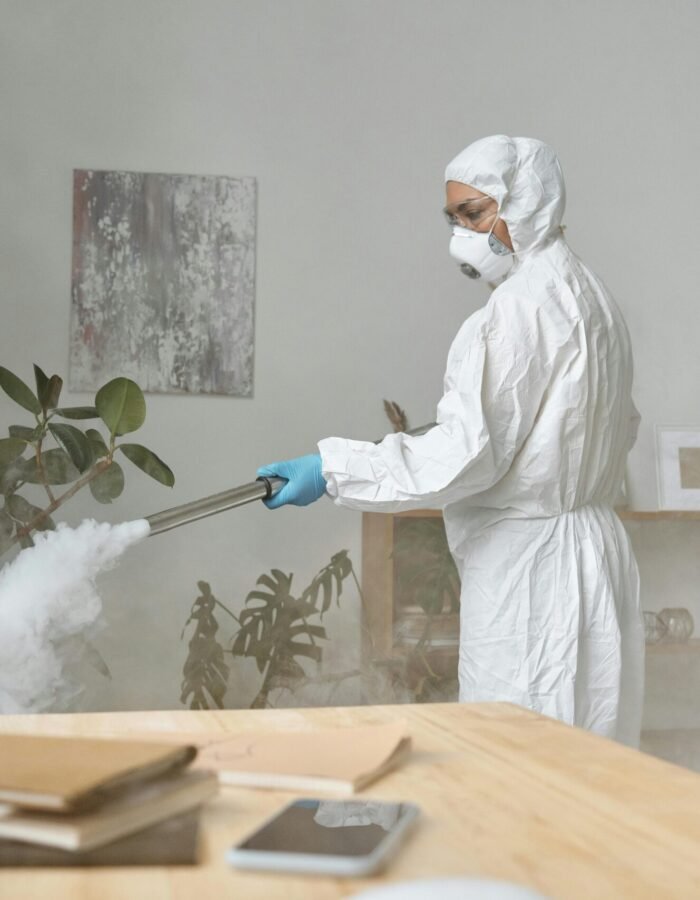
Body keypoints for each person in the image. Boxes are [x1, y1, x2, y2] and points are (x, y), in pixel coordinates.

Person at [258, 135, 645, 747]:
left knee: (516, 758)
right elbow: (620, 425)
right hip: (595, 555)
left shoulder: (516, 310)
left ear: (529, 205)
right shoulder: (595, 297)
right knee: (592, 756)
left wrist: (333, 468)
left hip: (531, 571)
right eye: (454, 218)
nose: (461, 236)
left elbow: (464, 456)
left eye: (474, 214)